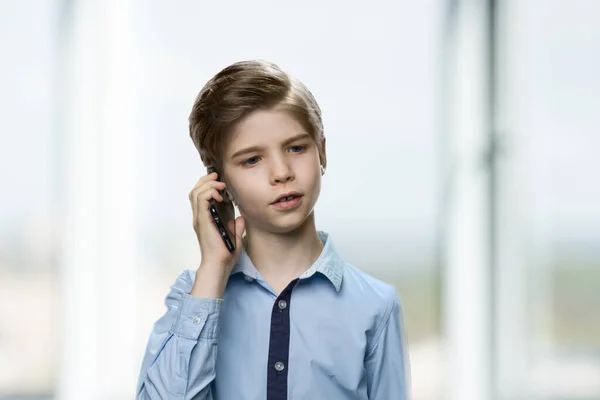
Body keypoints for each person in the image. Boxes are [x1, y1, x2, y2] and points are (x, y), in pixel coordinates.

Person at [136, 60, 411, 400]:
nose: (281, 173)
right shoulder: (191, 299)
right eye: (252, 160)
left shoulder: (376, 306)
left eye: (296, 148)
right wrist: (212, 271)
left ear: (322, 150)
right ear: (219, 182)